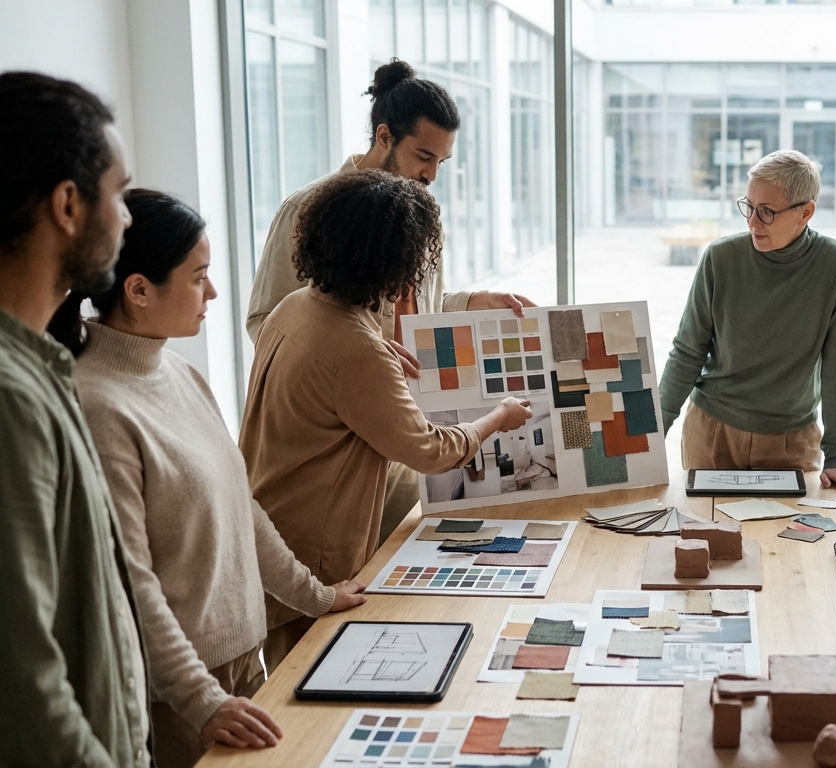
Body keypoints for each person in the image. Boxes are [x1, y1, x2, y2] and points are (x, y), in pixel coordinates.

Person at [48, 190, 368, 767]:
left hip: (241, 663)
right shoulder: (97, 405)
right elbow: (131, 582)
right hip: (179, 692)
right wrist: (201, 699)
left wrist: (315, 596)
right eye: (199, 278)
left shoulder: (179, 371)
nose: (214, 293)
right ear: (138, 290)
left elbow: (240, 506)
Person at [240, 169, 534, 672]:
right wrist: (497, 417)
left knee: (291, 671)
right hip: (316, 555)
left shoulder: (294, 307)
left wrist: (372, 351)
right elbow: (430, 450)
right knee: (311, 679)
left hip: (271, 529)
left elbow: (334, 369)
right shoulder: (356, 349)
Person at [245, 58, 533, 545]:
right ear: (384, 137)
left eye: (442, 162)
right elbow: (268, 321)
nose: (431, 174)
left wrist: (471, 301)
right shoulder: (309, 210)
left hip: (410, 432)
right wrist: (358, 356)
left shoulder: (418, 213)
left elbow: (417, 307)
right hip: (340, 440)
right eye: (424, 156)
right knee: (335, 561)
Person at [0, 71, 148, 766]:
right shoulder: (11, 396)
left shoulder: (43, 365)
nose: (127, 219)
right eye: (119, 194)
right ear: (67, 204)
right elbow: (25, 688)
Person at [658, 149, 836, 493]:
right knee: (703, 526)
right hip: (711, 432)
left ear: (806, 212)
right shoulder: (720, 258)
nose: (753, 222)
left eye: (767, 211)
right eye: (749, 206)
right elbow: (687, 351)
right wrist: (652, 436)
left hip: (791, 441)